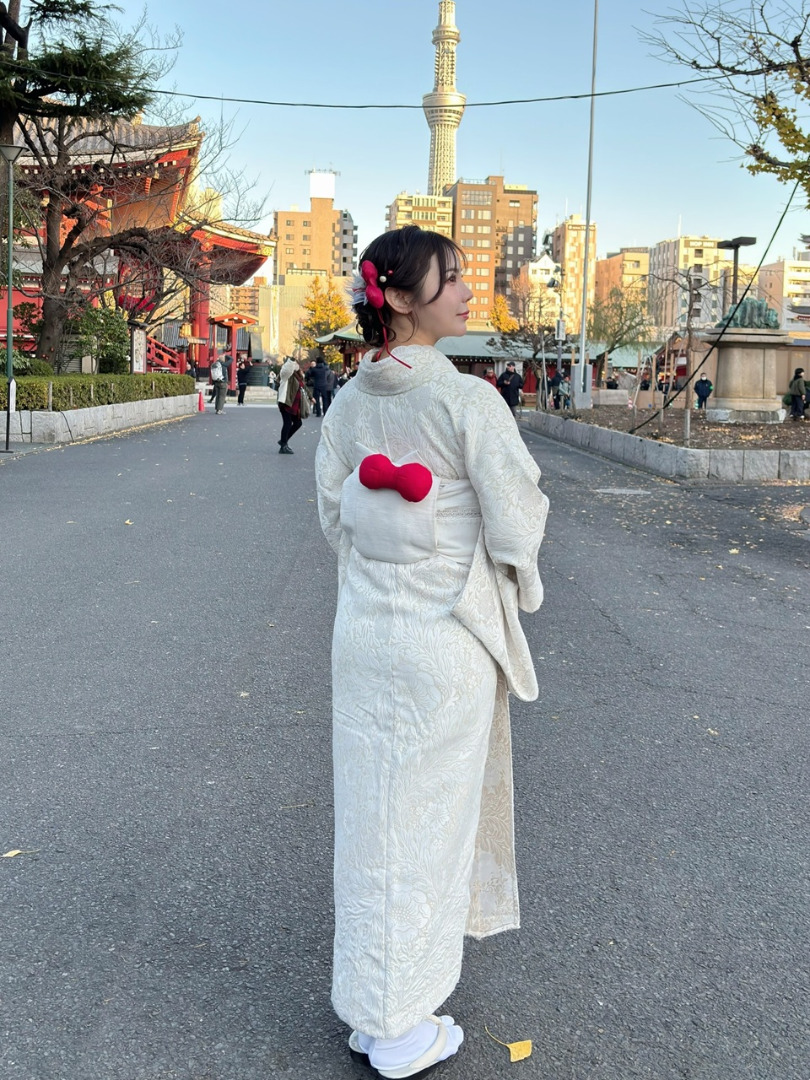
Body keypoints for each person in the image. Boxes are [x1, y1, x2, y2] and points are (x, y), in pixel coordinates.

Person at [315, 225, 549, 1079]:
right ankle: (400, 1025)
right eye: (450, 278)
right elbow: (517, 522)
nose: (466, 290)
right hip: (444, 638)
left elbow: (336, 519)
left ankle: (372, 1006)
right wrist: (506, 577)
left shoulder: (349, 403)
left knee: (371, 821)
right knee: (425, 829)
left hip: (366, 636)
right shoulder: (467, 402)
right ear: (401, 298)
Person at [277, 356, 310, 452]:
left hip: (295, 405)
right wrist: (291, 361)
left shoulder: (298, 376)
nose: (296, 365)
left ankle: (283, 441)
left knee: (298, 423)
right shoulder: (286, 376)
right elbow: (286, 370)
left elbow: (304, 387)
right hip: (286, 402)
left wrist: (311, 397)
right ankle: (283, 446)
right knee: (287, 423)